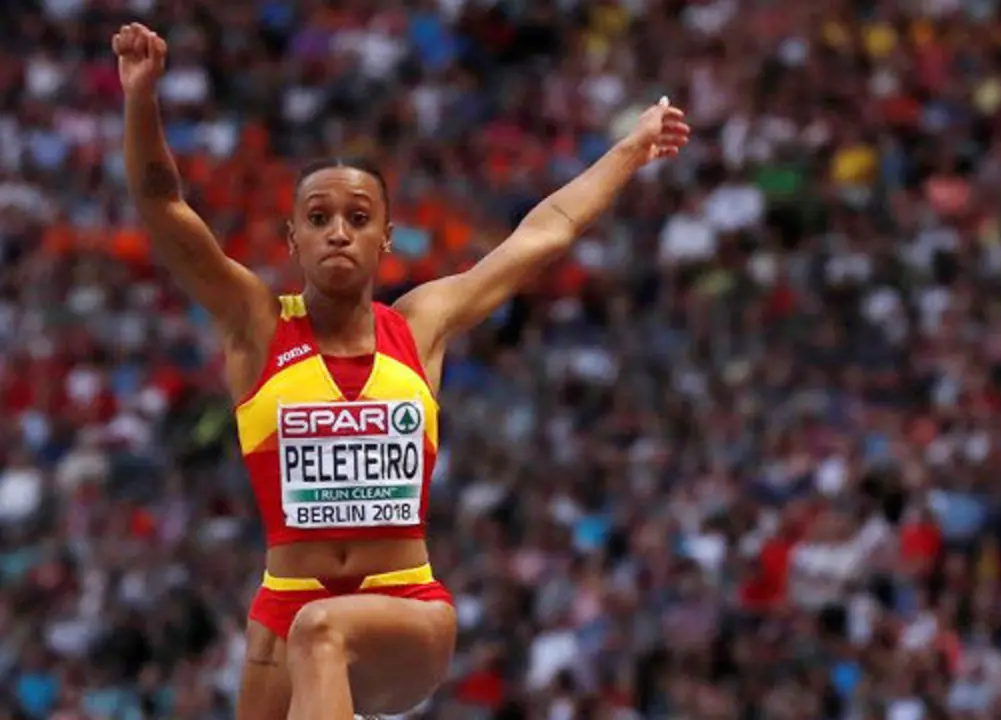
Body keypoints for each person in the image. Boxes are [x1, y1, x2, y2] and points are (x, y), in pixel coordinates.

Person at [111, 21, 690, 720]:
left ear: (386, 237)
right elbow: (162, 204)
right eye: (318, 218)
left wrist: (629, 149)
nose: (338, 232)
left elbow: (546, 231)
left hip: (405, 604)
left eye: (358, 218)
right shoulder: (256, 325)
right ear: (292, 237)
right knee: (308, 630)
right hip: (285, 605)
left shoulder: (420, 325)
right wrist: (141, 97)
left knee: (321, 631)